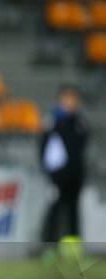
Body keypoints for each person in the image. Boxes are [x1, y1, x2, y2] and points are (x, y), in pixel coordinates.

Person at [40, 84, 89, 243]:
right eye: (66, 98)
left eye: (73, 98)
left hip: (75, 174)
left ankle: (72, 246)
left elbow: (82, 145)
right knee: (55, 209)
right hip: (57, 176)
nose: (70, 102)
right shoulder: (52, 121)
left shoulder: (80, 121)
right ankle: (48, 245)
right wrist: (49, 172)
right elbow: (44, 147)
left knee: (73, 209)